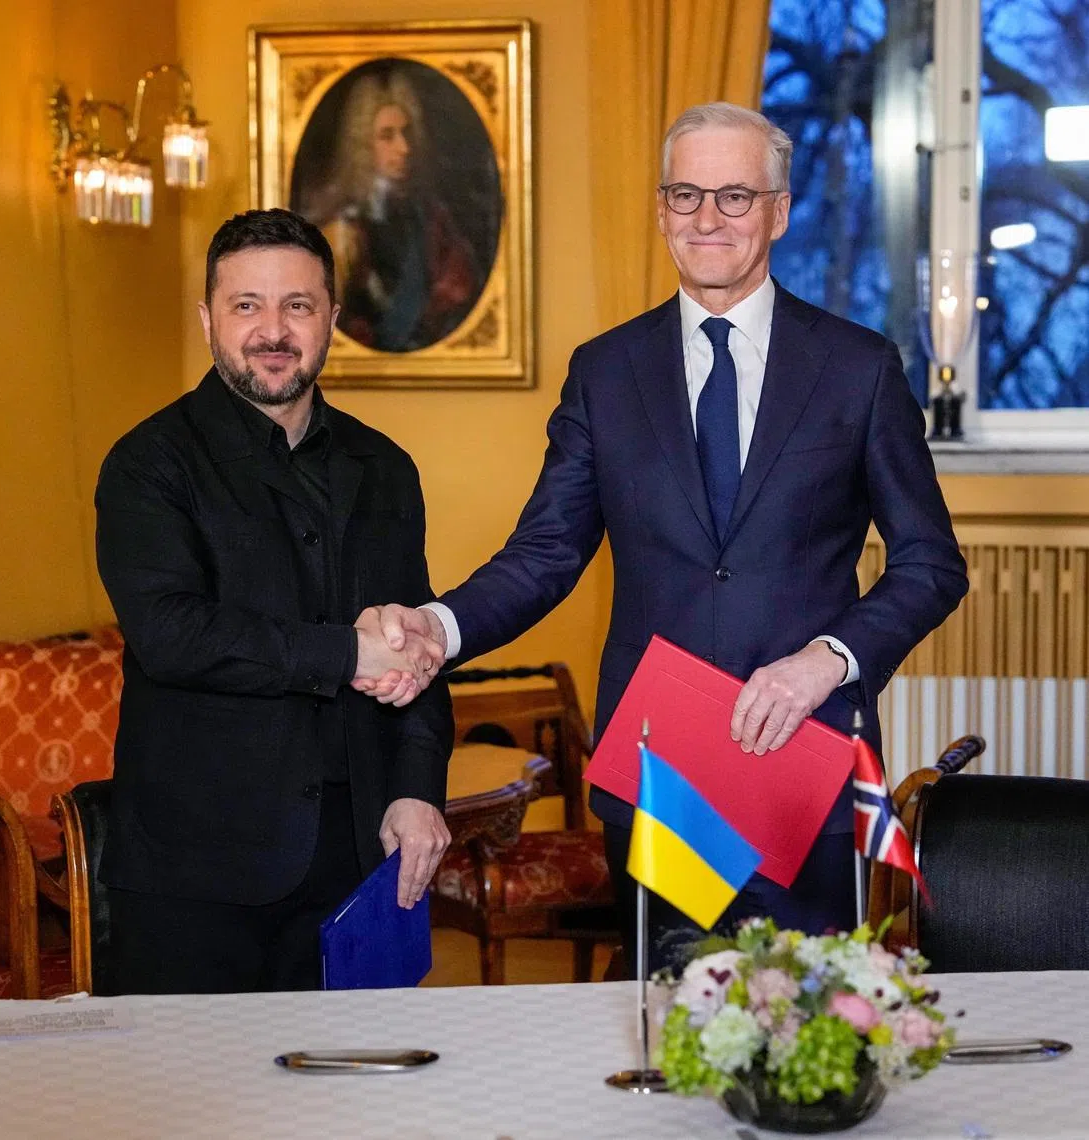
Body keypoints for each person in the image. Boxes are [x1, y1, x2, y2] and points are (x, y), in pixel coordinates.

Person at [356, 103, 968, 974]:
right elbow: (546, 553)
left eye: (733, 195)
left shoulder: (858, 367)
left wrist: (828, 658)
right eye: (687, 194)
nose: (707, 217)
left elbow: (930, 563)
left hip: (804, 761)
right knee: (669, 1025)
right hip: (661, 774)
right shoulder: (606, 371)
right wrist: (439, 627)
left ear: (780, 211)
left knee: (810, 1031)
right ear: (660, 209)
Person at [94, 207, 453, 994]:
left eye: (297, 305)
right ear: (208, 319)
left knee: (352, 1112)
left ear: (331, 317)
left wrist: (419, 792)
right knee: (187, 1116)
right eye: (245, 305)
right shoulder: (148, 464)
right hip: (194, 877)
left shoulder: (385, 467)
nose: (272, 330)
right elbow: (173, 634)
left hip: (357, 861)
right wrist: (351, 650)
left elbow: (418, 644)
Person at [298, 66, 480, 353]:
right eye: (387, 136)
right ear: (362, 145)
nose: (404, 148)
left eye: (407, 133)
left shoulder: (432, 218)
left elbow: (459, 291)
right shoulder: (338, 232)